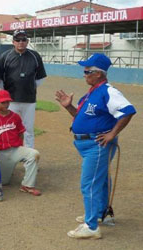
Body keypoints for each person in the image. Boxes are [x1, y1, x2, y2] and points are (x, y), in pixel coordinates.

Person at [55, 53, 136, 239]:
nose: (84, 74)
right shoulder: (91, 92)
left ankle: (91, 226)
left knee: (89, 184)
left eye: (87, 71)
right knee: (98, 181)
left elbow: (128, 111)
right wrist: (69, 107)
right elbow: (84, 117)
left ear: (99, 73)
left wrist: (112, 134)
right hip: (87, 144)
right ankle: (99, 214)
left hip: (97, 145)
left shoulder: (108, 91)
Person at [0, 30, 47, 148]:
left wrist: (28, 87)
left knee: (28, 129)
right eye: (18, 40)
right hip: (11, 101)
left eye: (23, 40)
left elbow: (40, 78)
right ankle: (12, 153)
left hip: (29, 100)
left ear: (27, 41)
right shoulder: (5, 57)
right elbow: (0, 79)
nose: (21, 42)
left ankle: (29, 157)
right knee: (11, 127)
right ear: (13, 41)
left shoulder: (35, 56)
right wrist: (6, 96)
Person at [0, 90, 41, 196]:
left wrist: (20, 147)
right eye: (3, 102)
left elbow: (21, 133)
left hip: (15, 149)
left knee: (34, 154)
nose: (6, 104)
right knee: (5, 182)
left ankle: (27, 185)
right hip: (1, 153)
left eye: (7, 102)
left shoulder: (15, 116)